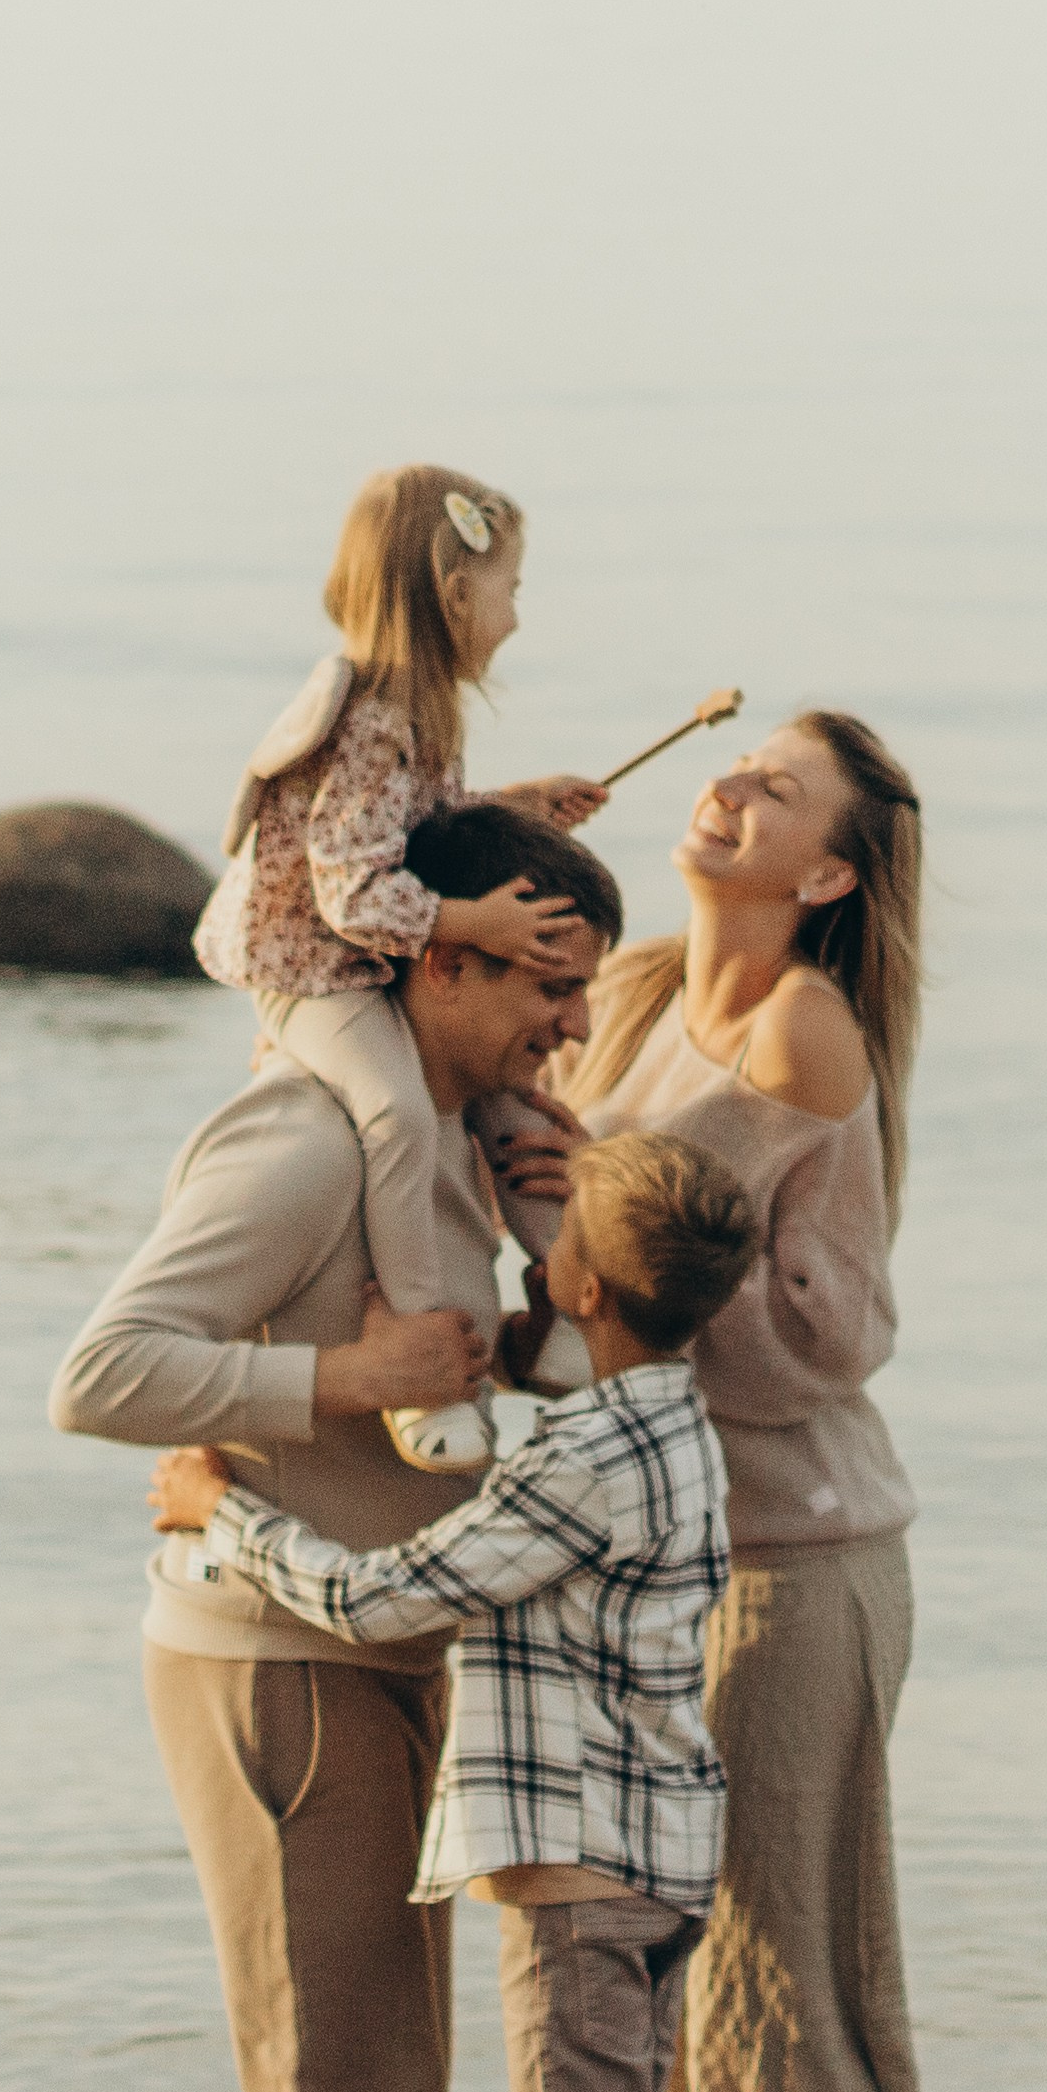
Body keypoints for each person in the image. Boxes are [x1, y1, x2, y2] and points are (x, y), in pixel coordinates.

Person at [49, 802, 623, 2092]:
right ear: (427, 955)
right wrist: (338, 1375)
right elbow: (106, 1372)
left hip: (382, 1647)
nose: (566, 1023)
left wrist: (561, 1244)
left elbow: (494, 1380)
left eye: (584, 990)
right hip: (268, 1661)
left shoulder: (448, 1139)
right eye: (543, 981)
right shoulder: (306, 1137)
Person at [147, 1130, 760, 2092]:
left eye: (544, 1243)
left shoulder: (570, 1460)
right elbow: (494, 1450)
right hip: (665, 1853)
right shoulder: (667, 1426)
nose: (524, 1258)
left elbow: (382, 1595)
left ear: (583, 1283)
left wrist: (216, 1512)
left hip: (574, 1873)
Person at [491, 711, 983, 2092]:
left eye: (777, 793)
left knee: (793, 1995)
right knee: (700, 2014)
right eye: (735, 769)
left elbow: (822, 1342)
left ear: (831, 874)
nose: (730, 792)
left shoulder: (801, 1038)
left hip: (795, 1570)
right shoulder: (624, 994)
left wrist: (604, 1221)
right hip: (666, 1566)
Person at [192, 463, 607, 1474]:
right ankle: (421, 1351)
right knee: (398, 1116)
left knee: (517, 1111)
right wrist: (478, 923)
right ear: (457, 595)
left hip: (364, 951)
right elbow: (351, 892)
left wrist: (510, 807)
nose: (517, 615)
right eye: (510, 589)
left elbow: (417, 828)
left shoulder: (422, 709)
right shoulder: (375, 717)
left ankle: (563, 1312)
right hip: (313, 972)